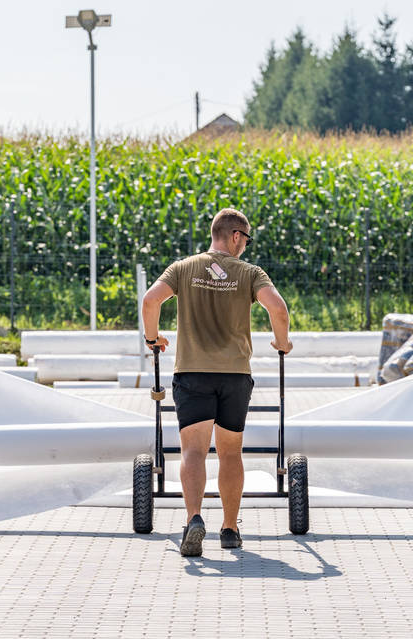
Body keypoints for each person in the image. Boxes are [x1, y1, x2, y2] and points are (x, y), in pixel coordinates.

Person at [142, 208, 292, 557]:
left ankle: (194, 519)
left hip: (192, 372)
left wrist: (153, 338)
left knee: (193, 451)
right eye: (246, 239)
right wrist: (282, 342)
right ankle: (229, 528)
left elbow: (150, 300)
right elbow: (279, 310)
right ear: (236, 236)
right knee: (229, 453)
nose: (246, 247)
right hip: (235, 375)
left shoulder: (182, 268)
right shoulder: (251, 273)